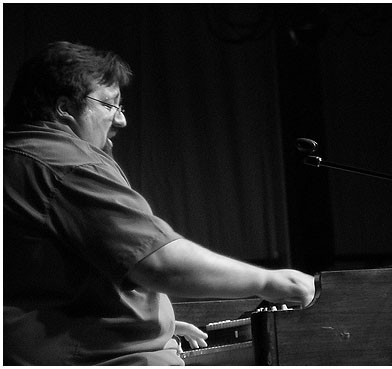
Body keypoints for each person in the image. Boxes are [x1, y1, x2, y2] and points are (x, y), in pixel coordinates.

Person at [3, 41, 315, 366]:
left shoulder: (15, 157)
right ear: (65, 107)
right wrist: (272, 282)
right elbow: (160, 264)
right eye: (110, 105)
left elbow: (47, 285)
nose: (121, 121)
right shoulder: (65, 163)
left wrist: (159, 323)